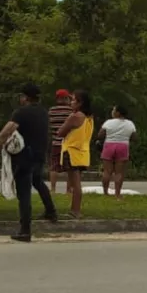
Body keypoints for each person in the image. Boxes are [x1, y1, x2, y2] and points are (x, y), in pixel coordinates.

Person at [0, 83, 57, 242]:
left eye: (21, 96)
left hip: (25, 156)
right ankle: (51, 211)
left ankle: (25, 230)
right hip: (40, 155)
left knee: (24, 193)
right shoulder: (43, 113)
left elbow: (6, 131)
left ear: (25, 97)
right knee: (38, 181)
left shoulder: (21, 113)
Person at [56, 90, 94, 219]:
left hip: (72, 151)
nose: (71, 103)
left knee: (75, 184)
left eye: (73, 100)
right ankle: (74, 209)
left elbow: (60, 132)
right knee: (76, 183)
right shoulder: (89, 118)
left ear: (80, 103)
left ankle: (76, 210)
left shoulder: (75, 116)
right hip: (83, 152)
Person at [98, 105, 137, 199]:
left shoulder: (108, 122)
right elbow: (135, 137)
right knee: (119, 173)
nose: (112, 111)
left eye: (114, 110)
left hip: (109, 145)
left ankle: (105, 192)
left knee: (107, 171)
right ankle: (117, 194)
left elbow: (100, 135)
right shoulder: (130, 123)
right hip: (123, 146)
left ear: (118, 113)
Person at [48, 89, 73, 194]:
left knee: (54, 166)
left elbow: (49, 125)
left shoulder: (51, 111)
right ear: (66, 98)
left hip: (56, 142)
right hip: (69, 143)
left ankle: (53, 189)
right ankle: (68, 190)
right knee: (69, 168)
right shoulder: (71, 111)